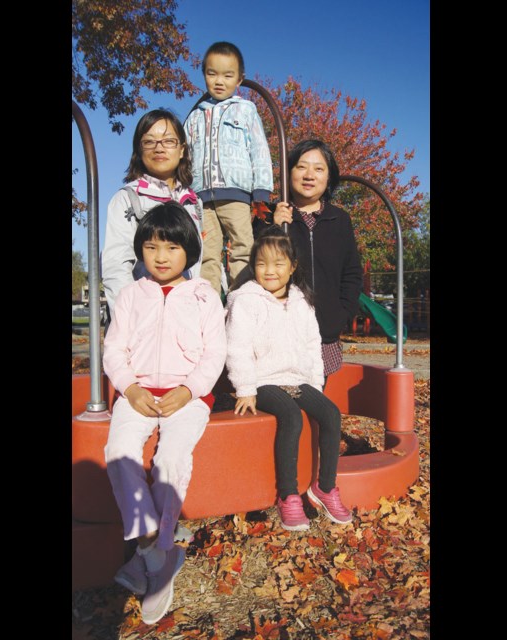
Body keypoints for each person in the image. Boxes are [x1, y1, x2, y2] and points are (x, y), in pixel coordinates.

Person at [103, 202, 227, 624]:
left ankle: (150, 553)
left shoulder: (204, 295)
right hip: (136, 395)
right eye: (151, 246)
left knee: (171, 458)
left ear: (188, 250)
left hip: (186, 398)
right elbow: (114, 349)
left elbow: (215, 354)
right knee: (119, 452)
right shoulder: (130, 294)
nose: (160, 256)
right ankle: (157, 549)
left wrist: (189, 390)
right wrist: (129, 387)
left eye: (171, 247)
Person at [225, 226, 353, 531]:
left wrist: (314, 382)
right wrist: (244, 388)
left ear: (292, 267)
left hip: (298, 378)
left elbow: (312, 345)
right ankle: (289, 495)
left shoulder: (302, 302)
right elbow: (237, 347)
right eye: (262, 264)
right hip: (262, 380)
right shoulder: (245, 301)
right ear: (253, 266)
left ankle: (325, 486)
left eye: (278, 263)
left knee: (331, 414)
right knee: (291, 416)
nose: (270, 271)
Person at [184, 41, 273, 297]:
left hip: (236, 194)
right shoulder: (195, 116)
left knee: (243, 246)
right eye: (212, 73)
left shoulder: (245, 111)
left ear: (239, 79)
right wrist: (183, 191)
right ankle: (208, 303)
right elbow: (185, 156)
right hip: (201, 196)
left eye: (228, 75)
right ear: (204, 75)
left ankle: (241, 298)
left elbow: (259, 149)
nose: (219, 80)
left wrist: (261, 190)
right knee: (207, 252)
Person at [270, 139, 362, 381]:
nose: (309, 175)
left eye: (319, 169)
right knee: (282, 403)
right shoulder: (273, 216)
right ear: (289, 172)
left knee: (316, 405)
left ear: (329, 177)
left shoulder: (339, 219)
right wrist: (274, 228)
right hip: (280, 333)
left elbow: (351, 272)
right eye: (301, 167)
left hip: (325, 333)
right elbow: (258, 266)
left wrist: (342, 315)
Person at [101, 109, 204, 319]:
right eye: (149, 141)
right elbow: (116, 266)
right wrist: (132, 318)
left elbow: (201, 261)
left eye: (168, 141)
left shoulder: (195, 202)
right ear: (139, 150)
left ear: (182, 149)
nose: (159, 148)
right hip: (143, 317)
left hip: (185, 315)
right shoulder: (129, 198)